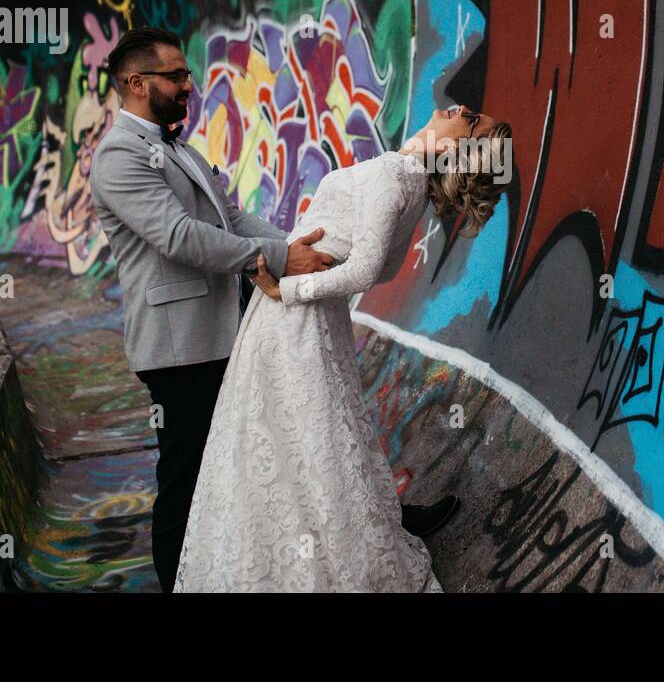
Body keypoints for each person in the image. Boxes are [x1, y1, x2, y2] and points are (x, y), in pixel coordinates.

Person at [88, 26, 461, 591]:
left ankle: (376, 530)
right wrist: (283, 257)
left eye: (187, 74)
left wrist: (305, 242)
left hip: (226, 329)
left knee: (295, 434)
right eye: (177, 76)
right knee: (189, 480)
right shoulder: (118, 158)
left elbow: (230, 218)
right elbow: (180, 237)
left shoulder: (178, 148)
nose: (189, 85)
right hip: (179, 347)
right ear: (137, 83)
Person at [174, 103, 512, 591]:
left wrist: (286, 289)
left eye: (471, 118)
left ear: (461, 144)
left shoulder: (398, 176)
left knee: (281, 437)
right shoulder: (412, 182)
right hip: (311, 317)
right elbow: (386, 267)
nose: (458, 107)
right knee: (306, 439)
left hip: (294, 315)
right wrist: (313, 252)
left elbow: (366, 272)